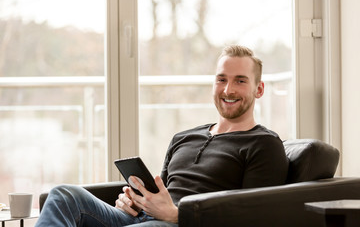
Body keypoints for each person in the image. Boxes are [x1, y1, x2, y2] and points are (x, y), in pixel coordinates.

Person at [35, 45, 289, 227]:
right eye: (221, 79)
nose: (228, 89)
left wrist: (176, 215)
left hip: (180, 224)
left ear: (259, 89)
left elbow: (256, 216)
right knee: (63, 196)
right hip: (145, 218)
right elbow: (162, 192)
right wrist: (135, 202)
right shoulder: (185, 137)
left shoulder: (264, 144)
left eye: (240, 81)